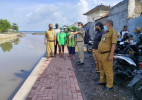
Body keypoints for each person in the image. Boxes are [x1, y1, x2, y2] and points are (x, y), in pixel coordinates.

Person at [96, 20, 118, 91]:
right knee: (101, 69)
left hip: (107, 54)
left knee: (108, 70)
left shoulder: (113, 32)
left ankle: (109, 85)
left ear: (109, 24)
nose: (104, 26)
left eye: (105, 25)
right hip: (101, 54)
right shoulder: (105, 33)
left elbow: (113, 45)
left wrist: (111, 55)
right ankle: (102, 81)